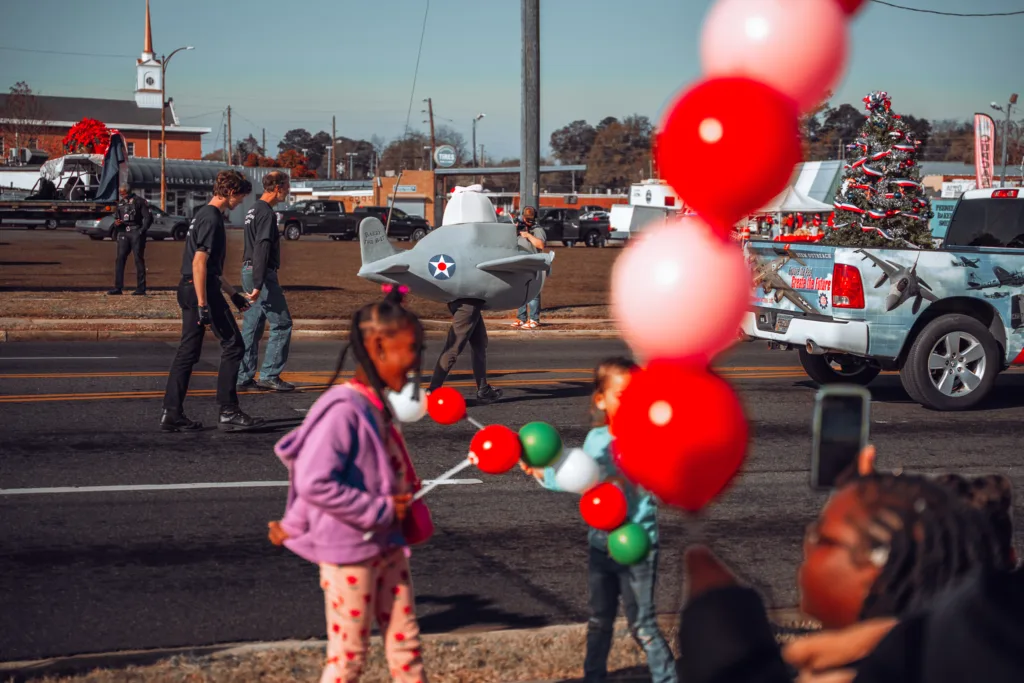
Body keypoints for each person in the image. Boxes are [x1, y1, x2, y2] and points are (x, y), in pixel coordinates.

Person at [268, 286, 428, 683]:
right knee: (349, 655)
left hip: (386, 543)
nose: (416, 363)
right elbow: (313, 479)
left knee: (405, 643)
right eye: (411, 350)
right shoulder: (344, 410)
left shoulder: (376, 405)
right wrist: (382, 509)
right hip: (349, 553)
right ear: (378, 347)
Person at [522, 357, 677, 683]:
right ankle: (594, 677)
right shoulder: (595, 440)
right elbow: (578, 477)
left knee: (642, 624)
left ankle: (668, 679)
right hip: (600, 545)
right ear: (601, 400)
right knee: (599, 619)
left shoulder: (648, 438)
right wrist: (541, 473)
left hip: (638, 545)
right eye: (623, 395)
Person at [160, 170, 262, 432]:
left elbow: (211, 269)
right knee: (233, 345)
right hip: (199, 291)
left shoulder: (202, 216)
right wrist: (204, 305)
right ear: (230, 192)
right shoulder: (212, 218)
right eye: (240, 196)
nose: (240, 202)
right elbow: (199, 263)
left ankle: (172, 413)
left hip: (191, 288)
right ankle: (228, 410)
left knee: (188, 352)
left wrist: (233, 294)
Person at [237, 171, 295, 393]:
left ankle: (243, 376)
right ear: (278, 188)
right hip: (260, 273)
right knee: (282, 323)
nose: (288, 191)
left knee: (252, 325)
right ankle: (270, 374)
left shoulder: (253, 210)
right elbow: (261, 247)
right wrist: (259, 283)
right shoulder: (267, 213)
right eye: (287, 187)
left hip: (248, 269)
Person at [107, 184, 153, 296]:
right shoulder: (121, 203)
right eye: (121, 193)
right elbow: (117, 218)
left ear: (128, 192)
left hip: (136, 232)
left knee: (138, 259)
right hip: (123, 232)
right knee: (120, 259)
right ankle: (118, 287)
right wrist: (116, 224)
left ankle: (141, 288)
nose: (122, 195)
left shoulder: (140, 201)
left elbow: (148, 218)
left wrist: (141, 231)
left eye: (123, 193)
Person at [512, 205, 547, 330]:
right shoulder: (519, 228)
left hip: (533, 263)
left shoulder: (537, 230)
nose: (528, 221)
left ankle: (534, 318)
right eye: (526, 218)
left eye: (530, 219)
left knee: (533, 293)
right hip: (520, 263)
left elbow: (541, 245)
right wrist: (515, 230)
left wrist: (528, 235)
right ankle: (521, 317)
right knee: (521, 292)